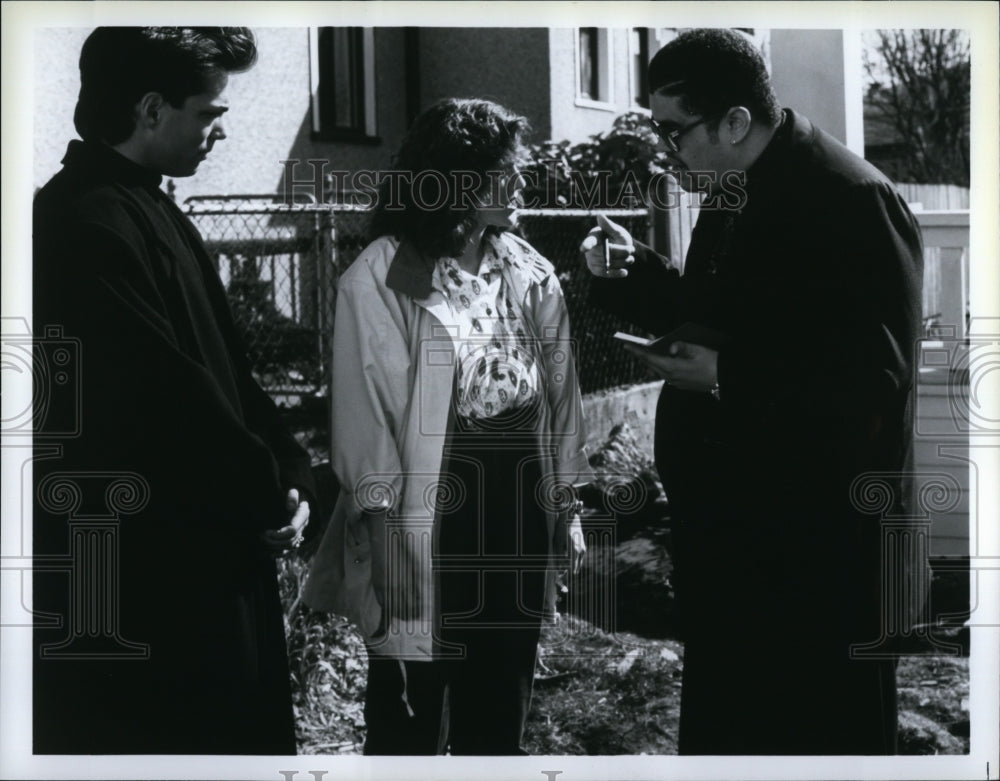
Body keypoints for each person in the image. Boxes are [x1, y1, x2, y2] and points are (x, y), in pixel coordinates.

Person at [583, 28, 926, 755]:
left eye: (675, 132)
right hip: (738, 553)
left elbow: (875, 382)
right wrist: (633, 277)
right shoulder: (734, 189)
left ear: (735, 122)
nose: (666, 152)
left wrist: (728, 376)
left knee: (821, 746)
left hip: (824, 566)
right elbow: (721, 317)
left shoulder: (856, 198)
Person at [32, 27, 315, 754]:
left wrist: (289, 476)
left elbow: (232, 375)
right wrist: (262, 494)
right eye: (208, 113)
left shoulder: (153, 208)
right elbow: (167, 396)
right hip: (151, 575)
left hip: (213, 546)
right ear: (151, 109)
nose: (219, 132)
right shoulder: (81, 221)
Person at [304, 98, 591, 755]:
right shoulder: (379, 274)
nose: (523, 184)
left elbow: (560, 396)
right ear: (458, 178)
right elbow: (363, 423)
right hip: (425, 516)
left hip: (515, 503)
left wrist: (567, 507)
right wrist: (384, 546)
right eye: (506, 171)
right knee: (410, 713)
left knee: (501, 704)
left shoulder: (528, 267)